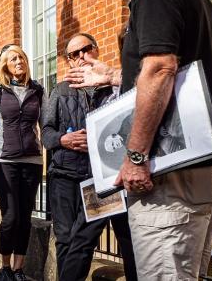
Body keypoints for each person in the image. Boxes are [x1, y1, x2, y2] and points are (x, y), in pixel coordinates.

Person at [65, 0, 212, 278]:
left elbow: (161, 68)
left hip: (164, 175)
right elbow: (175, 68)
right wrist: (111, 75)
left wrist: (135, 157)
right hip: (194, 167)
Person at [42, 33, 137, 281]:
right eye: (74, 55)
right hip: (67, 174)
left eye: (85, 50)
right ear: (69, 62)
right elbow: (46, 133)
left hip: (106, 176)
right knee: (69, 240)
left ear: (95, 49)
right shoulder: (61, 90)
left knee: (126, 238)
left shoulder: (112, 85)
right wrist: (63, 139)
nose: (81, 57)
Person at [0, 44, 44, 281]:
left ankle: (18, 268)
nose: (18, 61)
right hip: (3, 161)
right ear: (5, 65)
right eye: (13, 58)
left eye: (21, 57)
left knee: (25, 216)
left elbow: (44, 126)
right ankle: (4, 266)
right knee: (10, 216)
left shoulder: (38, 90)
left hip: (32, 161)